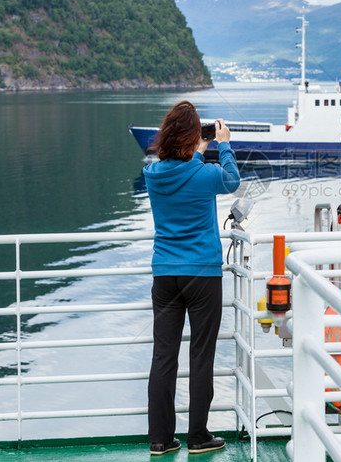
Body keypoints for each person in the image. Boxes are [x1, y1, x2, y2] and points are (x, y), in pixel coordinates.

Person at [142, 101, 240, 456]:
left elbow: (179, 169)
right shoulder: (203, 176)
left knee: (163, 357)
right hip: (201, 274)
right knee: (201, 355)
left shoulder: (153, 175)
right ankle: (197, 436)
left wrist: (197, 149)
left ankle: (160, 439)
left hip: (165, 274)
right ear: (195, 136)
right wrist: (223, 144)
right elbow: (231, 179)